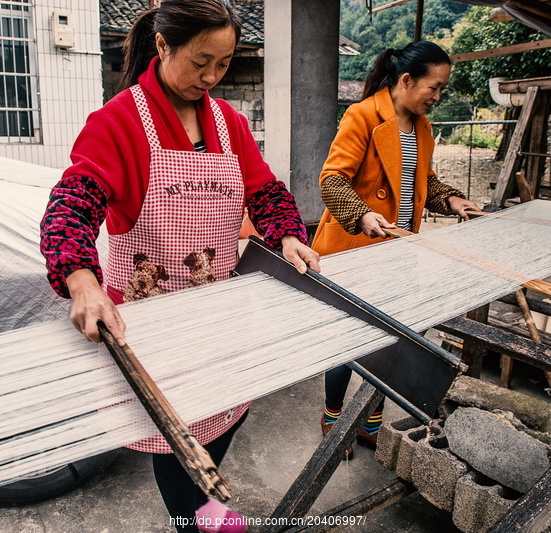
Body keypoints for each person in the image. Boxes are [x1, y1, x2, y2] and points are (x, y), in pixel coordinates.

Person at [39, 1, 320, 531]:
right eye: (200, 62)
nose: (211, 77)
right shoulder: (118, 122)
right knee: (177, 443)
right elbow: (70, 207)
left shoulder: (227, 122)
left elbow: (264, 190)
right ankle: (202, 519)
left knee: (224, 415)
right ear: (163, 46)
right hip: (151, 323)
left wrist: (286, 234)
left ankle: (204, 512)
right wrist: (81, 280)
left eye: (224, 63)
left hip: (217, 314)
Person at [311, 41, 478, 458]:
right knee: (346, 341)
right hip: (354, 249)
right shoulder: (362, 115)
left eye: (442, 89)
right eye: (434, 87)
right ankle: (333, 418)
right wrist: (363, 215)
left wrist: (454, 200)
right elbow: (332, 180)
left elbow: (426, 182)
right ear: (406, 80)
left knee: (391, 340)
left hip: (397, 255)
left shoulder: (422, 129)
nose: (437, 97)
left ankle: (368, 423)